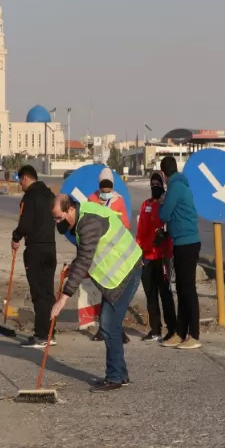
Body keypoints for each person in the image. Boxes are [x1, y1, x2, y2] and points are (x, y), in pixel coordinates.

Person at [51, 194, 142, 393]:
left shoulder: (88, 221)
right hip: (117, 275)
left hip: (126, 270)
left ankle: (115, 377)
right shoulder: (80, 219)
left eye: (59, 217)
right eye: (55, 218)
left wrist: (63, 298)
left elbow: (85, 259)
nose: (57, 223)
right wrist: (72, 267)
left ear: (71, 210)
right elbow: (87, 251)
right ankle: (120, 374)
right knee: (112, 325)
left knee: (109, 325)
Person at [157, 156, 202, 350]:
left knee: (188, 290)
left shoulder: (175, 188)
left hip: (187, 243)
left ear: (164, 175)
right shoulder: (181, 185)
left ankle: (194, 334)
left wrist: (161, 201)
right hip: (183, 242)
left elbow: (164, 215)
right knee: (182, 290)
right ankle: (181, 332)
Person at [11, 165, 57, 349]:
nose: (20, 183)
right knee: (48, 292)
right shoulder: (50, 195)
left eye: (20, 179)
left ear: (26, 178)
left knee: (38, 294)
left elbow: (26, 223)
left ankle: (40, 335)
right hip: (50, 248)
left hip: (36, 250)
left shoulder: (30, 197)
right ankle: (50, 332)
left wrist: (16, 237)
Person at [87, 166, 131, 343]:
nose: (106, 192)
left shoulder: (118, 201)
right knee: (105, 292)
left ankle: (116, 329)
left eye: (109, 188)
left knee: (116, 292)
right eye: (103, 188)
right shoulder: (92, 200)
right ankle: (105, 328)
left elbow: (126, 225)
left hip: (116, 253)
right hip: (100, 255)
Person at [135, 171, 176, 342]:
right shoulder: (146, 205)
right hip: (147, 257)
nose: (155, 187)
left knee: (165, 294)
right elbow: (141, 231)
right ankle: (155, 329)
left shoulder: (166, 204)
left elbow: (170, 226)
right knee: (150, 294)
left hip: (162, 256)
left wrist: (166, 238)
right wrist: (138, 254)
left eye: (158, 183)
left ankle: (172, 329)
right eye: (152, 184)